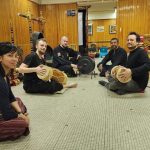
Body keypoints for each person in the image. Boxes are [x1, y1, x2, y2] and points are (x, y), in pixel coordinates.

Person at [0, 42, 30, 141]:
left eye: (16, 56)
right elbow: (7, 114)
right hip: (3, 112)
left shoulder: (5, 75)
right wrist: (21, 117)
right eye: (10, 56)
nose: (15, 59)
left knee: (18, 100)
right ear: (0, 58)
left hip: (2, 108)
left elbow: (10, 97)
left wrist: (19, 112)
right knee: (22, 124)